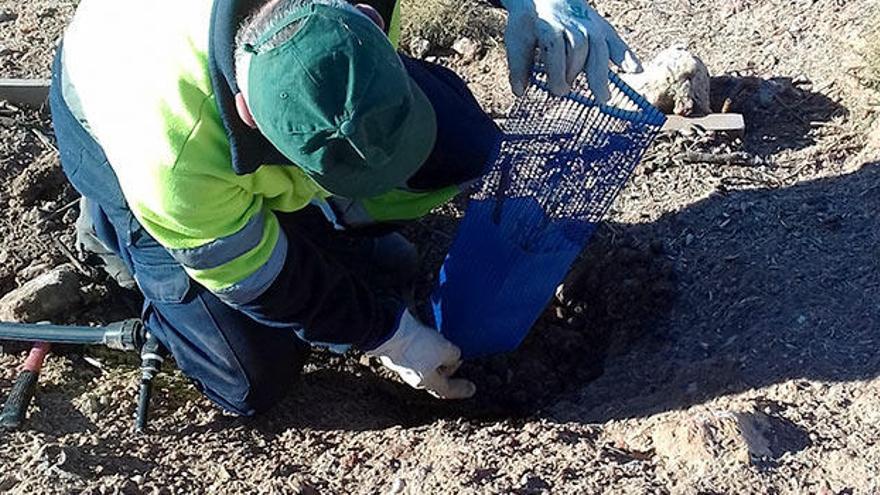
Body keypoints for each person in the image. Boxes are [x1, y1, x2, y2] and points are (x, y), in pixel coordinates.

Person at [49, 0, 641, 415]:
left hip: (304, 70)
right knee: (251, 378)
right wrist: (390, 336)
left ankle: (308, 221)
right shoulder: (174, 162)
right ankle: (112, 230)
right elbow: (257, 281)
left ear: (367, 18)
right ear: (252, 119)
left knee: (462, 148)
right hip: (107, 111)